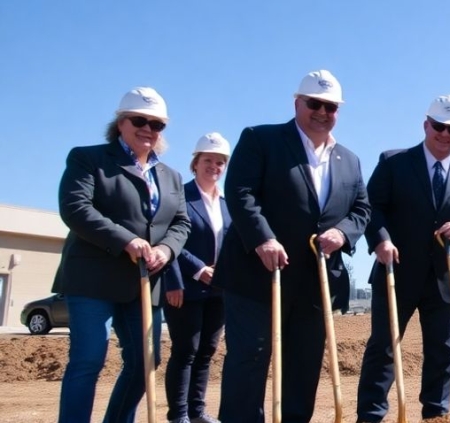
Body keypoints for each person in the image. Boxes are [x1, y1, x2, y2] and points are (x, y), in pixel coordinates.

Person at [213, 69, 371, 422]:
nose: (322, 112)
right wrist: (262, 238)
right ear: (297, 102)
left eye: (331, 107)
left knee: (303, 362)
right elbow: (240, 193)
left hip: (314, 283)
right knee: (250, 357)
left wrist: (344, 233)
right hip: (257, 276)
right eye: (314, 103)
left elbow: (362, 208)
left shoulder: (349, 160)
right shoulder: (260, 140)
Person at [55, 86, 191, 423]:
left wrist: (166, 249)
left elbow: (181, 222)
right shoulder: (88, 159)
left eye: (156, 124)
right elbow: (76, 208)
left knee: (145, 361)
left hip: (143, 284)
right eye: (139, 120)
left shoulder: (171, 177)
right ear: (121, 122)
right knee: (88, 359)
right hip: (93, 281)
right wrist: (126, 241)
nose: (147, 129)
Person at [356, 94, 450, 421]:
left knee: (443, 353)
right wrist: (381, 241)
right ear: (426, 124)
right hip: (396, 273)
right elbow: (371, 208)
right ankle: (370, 416)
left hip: (446, 277)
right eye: (439, 126)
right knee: (383, 349)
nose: (445, 134)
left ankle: (435, 416)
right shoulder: (393, 162)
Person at [161, 132, 232, 423]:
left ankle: (196, 410)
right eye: (207, 160)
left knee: (207, 351)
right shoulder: (180, 198)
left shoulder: (227, 205)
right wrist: (193, 271)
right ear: (195, 163)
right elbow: (169, 239)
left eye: (219, 162)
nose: (213, 166)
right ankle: (178, 415)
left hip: (218, 290)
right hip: (186, 287)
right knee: (185, 350)